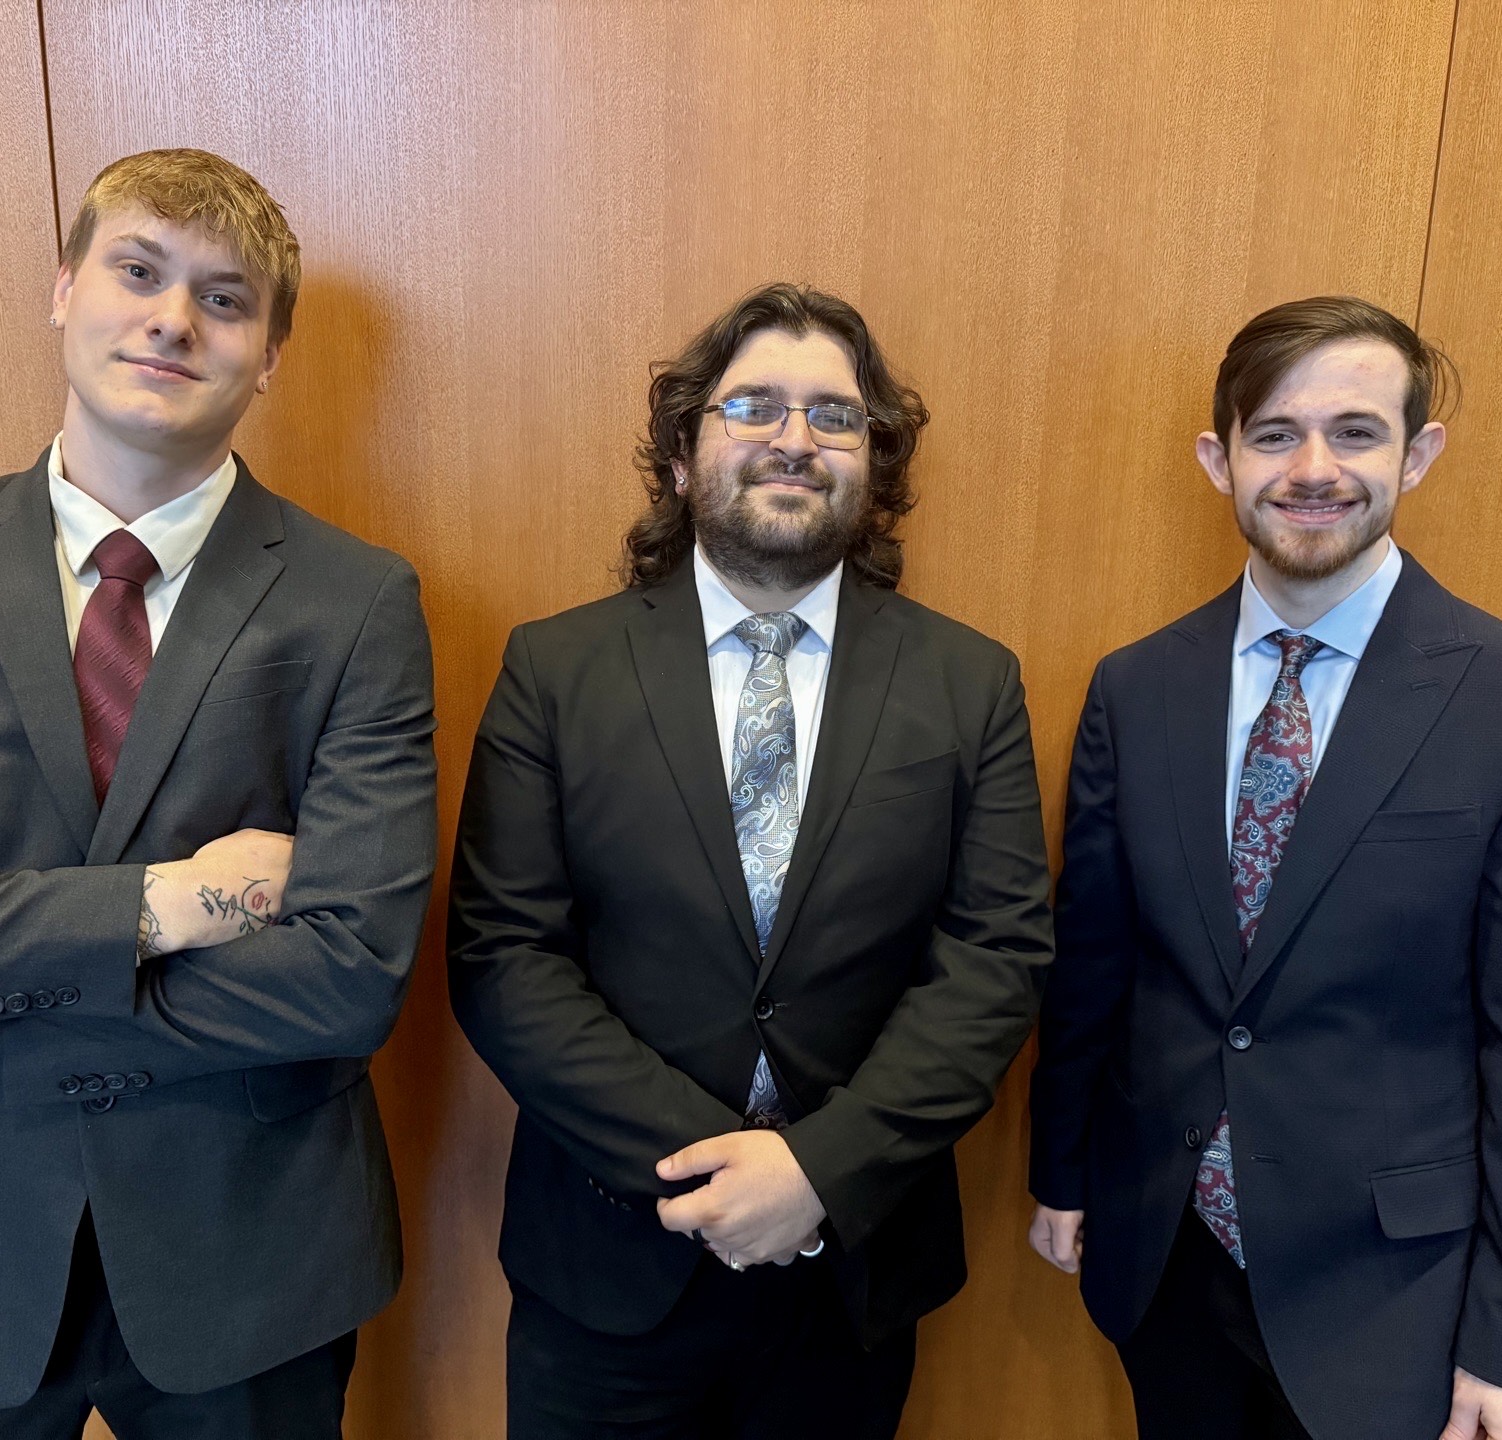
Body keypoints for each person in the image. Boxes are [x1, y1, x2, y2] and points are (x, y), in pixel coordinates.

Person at [0, 148, 437, 1439]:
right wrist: (166, 905)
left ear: (268, 353)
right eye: (138, 270)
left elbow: (351, 976)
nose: (173, 318)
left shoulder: (358, 603)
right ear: (64, 289)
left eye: (225, 299)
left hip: (252, 1257)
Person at [449, 282, 1053, 1437]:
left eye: (836, 416)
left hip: (851, 1273)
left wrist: (817, 1172)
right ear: (683, 454)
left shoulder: (970, 686)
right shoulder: (556, 672)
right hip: (609, 1265)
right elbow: (501, 955)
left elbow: (995, 963)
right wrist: (714, 1176)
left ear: (874, 464)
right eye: (754, 407)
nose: (794, 439)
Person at [1027, 295, 1502, 1440]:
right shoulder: (1137, 689)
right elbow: (1094, 964)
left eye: (1356, 431)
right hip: (1168, 1265)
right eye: (1273, 434)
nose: (1313, 468)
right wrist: (1061, 1171)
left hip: (1392, 1298)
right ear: (1220, 460)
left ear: (1419, 452)